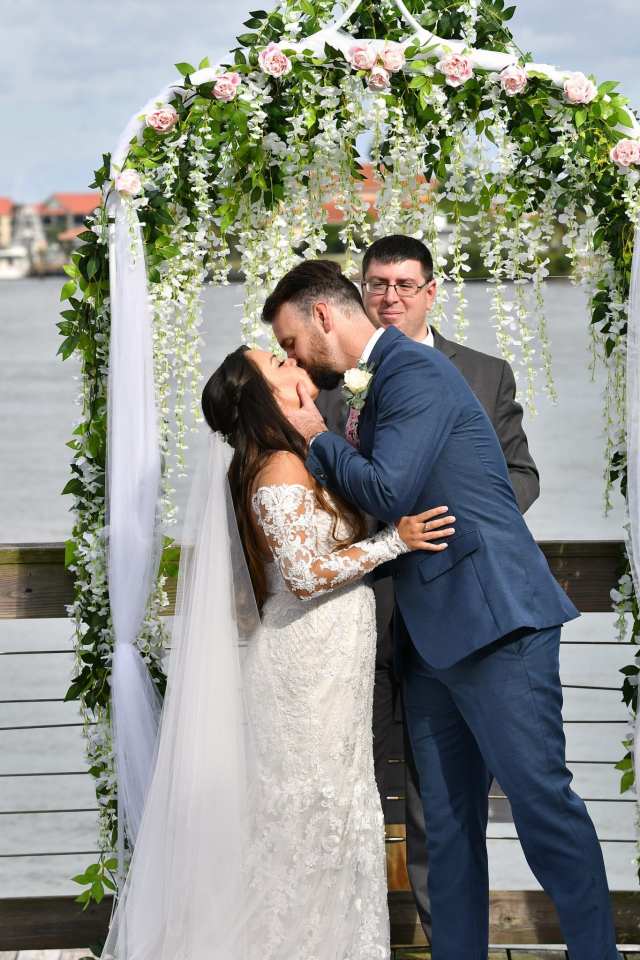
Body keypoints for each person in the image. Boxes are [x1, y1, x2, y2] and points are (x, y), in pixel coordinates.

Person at [264, 258, 620, 960]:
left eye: (291, 341)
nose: (293, 358)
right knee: (450, 829)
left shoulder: (413, 373)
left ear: (322, 315)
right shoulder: (375, 379)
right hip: (428, 639)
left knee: (543, 808)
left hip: (496, 625)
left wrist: (314, 436)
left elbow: (389, 491)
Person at [101, 343, 455, 960]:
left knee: (332, 811)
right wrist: (394, 543)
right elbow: (304, 575)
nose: (294, 364)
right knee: (304, 817)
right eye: (279, 363)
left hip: (329, 662)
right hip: (304, 668)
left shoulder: (291, 459)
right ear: (266, 397)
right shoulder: (278, 470)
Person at [317, 234, 539, 939]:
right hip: (360, 606)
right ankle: (346, 938)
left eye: (404, 285)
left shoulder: (483, 373)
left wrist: (452, 522)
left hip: (453, 607)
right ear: (360, 291)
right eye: (377, 284)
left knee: (438, 799)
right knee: (340, 779)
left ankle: (447, 942)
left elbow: (521, 478)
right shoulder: (330, 379)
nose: (390, 297)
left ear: (431, 290)